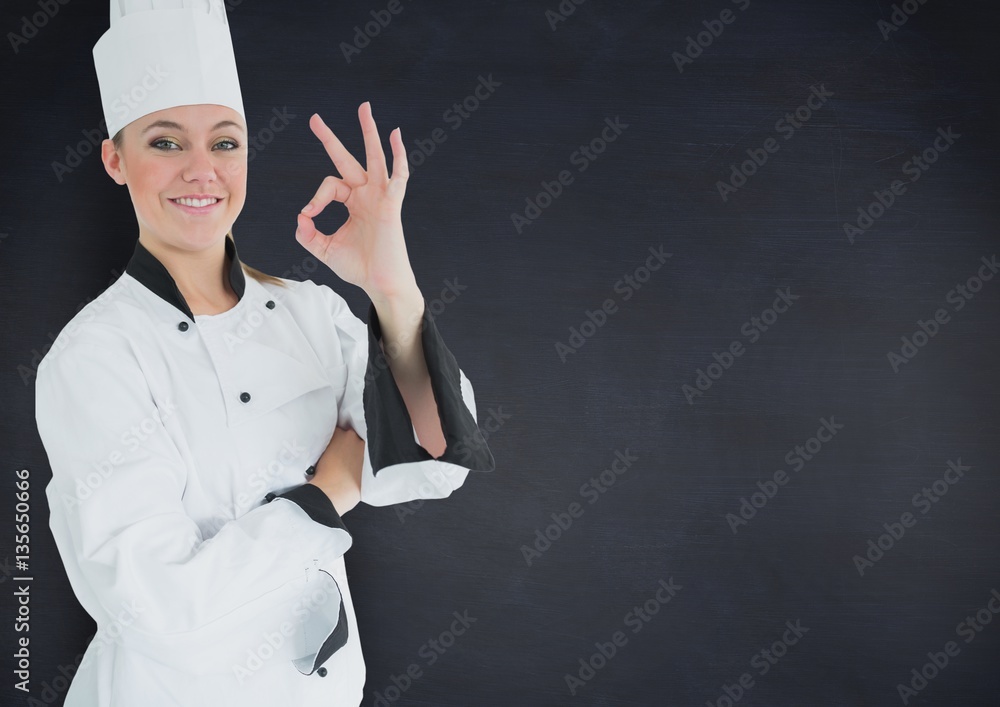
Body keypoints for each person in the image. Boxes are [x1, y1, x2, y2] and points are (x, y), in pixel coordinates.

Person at [34, 1, 494, 705]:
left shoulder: (312, 315)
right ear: (115, 159)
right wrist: (327, 492)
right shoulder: (93, 358)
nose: (201, 170)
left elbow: (432, 464)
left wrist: (391, 284)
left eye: (224, 143)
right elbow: (160, 610)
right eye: (164, 142)